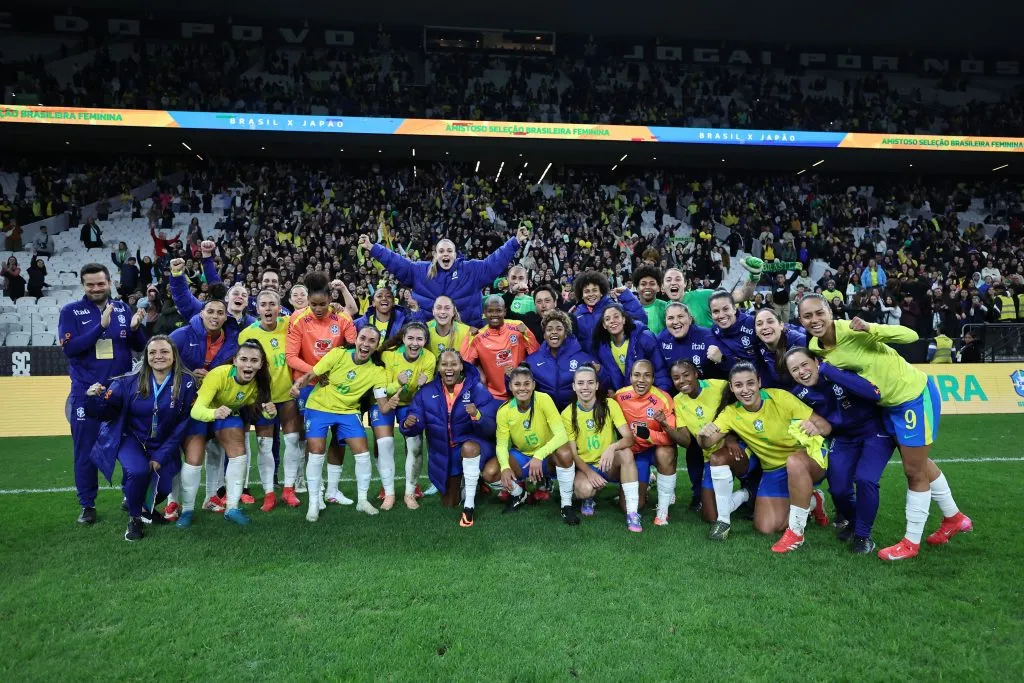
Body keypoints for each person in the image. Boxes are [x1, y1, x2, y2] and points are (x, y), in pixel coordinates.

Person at [798, 294, 972, 561]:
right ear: (801, 320)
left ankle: (911, 543)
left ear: (830, 311)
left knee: (914, 470)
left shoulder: (854, 330)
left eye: (819, 313)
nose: (814, 320)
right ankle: (954, 518)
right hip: (887, 407)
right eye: (807, 316)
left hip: (913, 396)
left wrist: (871, 327)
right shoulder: (815, 346)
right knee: (921, 463)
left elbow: (910, 336)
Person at [697, 362, 832, 553]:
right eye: (739, 385)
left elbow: (825, 426)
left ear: (759, 382)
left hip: (808, 458)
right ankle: (812, 501)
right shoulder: (731, 412)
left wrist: (815, 428)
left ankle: (796, 532)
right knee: (765, 528)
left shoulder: (781, 397)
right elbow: (707, 443)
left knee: (793, 461)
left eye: (750, 383)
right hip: (774, 469)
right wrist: (702, 435)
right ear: (731, 387)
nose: (745, 390)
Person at [58, 263, 148, 524]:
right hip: (87, 394)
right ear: (83, 286)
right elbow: (71, 349)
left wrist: (135, 329)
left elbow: (140, 346)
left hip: (120, 393)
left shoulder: (122, 308)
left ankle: (128, 495)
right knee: (85, 452)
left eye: (100, 283)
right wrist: (100, 326)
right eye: (90, 284)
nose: (96, 288)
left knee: (129, 446)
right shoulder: (70, 311)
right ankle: (87, 505)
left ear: (109, 282)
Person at [84, 336, 198, 541]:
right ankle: (135, 518)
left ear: (174, 356)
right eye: (152, 352)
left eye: (164, 352)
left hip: (163, 443)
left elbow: (183, 423)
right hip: (132, 439)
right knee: (138, 471)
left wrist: (161, 456)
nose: (158, 356)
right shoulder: (128, 382)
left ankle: (142, 505)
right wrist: (93, 399)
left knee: (163, 487)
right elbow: (104, 414)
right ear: (146, 357)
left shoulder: (187, 382)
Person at [784, 348, 895, 554]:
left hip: (874, 431)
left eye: (804, 364)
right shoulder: (798, 395)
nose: (802, 372)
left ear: (817, 361)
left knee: (865, 479)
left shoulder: (838, 372)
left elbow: (873, 392)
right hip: (843, 438)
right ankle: (853, 522)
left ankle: (863, 536)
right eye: (795, 370)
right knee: (838, 489)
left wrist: (833, 372)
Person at [291, 326, 395, 521]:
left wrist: (391, 402)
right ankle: (314, 502)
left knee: (362, 453)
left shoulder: (378, 371)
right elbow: (311, 375)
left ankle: (362, 501)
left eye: (372, 341)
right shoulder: (338, 354)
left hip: (348, 411)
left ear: (377, 345)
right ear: (356, 340)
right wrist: (298, 386)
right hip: (319, 407)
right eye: (363, 338)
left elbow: (382, 406)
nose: (366, 344)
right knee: (316, 450)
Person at [179, 342, 277, 527]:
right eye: (244, 359)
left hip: (225, 414)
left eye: (254, 360)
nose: (248, 365)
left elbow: (262, 410)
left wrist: (270, 412)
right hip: (199, 415)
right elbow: (197, 410)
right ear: (235, 361)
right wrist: (213, 413)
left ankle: (232, 507)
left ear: (261, 364)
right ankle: (187, 510)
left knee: (239, 453)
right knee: (194, 460)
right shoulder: (219, 374)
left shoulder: (260, 383)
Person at [401, 351, 501, 527]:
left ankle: (472, 492)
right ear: (438, 368)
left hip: (473, 445)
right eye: (444, 364)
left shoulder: (476, 389)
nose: (449, 368)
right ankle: (471, 483)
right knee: (449, 503)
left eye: (453, 364)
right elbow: (415, 417)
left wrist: (477, 416)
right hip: (444, 451)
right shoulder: (426, 392)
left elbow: (492, 427)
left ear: (461, 366)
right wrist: (409, 424)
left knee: (469, 449)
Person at [359, 225, 529, 326]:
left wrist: (514, 242)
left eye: (449, 251)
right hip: (430, 338)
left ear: (455, 254)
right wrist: (373, 248)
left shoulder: (470, 270)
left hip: (466, 335)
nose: (445, 254)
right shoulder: (419, 271)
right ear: (435, 255)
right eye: (441, 251)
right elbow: (395, 261)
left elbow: (495, 262)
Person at [286, 273, 358, 506]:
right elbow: (290, 357)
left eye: (322, 304)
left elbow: (353, 347)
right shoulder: (298, 320)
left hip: (337, 385)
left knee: (339, 437)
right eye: (313, 304)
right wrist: (317, 372)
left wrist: (333, 373)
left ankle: (333, 490)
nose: (318, 309)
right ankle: (315, 490)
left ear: (330, 300)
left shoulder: (341, 318)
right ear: (307, 301)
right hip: (310, 385)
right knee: (314, 439)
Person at [659, 360, 751, 528]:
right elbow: (686, 441)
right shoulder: (678, 401)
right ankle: (746, 494)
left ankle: (752, 481)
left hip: (734, 447)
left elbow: (742, 408)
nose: (682, 381)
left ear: (696, 374)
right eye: (676, 378)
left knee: (743, 468)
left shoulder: (720, 386)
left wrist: (731, 437)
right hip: (710, 457)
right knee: (710, 516)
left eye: (686, 375)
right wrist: (665, 425)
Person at [238, 290, 303, 511]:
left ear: (279, 307)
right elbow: (246, 370)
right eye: (263, 304)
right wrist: (262, 399)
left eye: (272, 304)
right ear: (257, 309)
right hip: (262, 398)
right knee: (264, 446)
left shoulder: (290, 325)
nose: (268, 308)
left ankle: (288, 489)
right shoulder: (247, 334)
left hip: (288, 395)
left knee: (292, 441)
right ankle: (268, 493)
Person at [562, 364, 643, 532]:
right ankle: (589, 498)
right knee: (583, 491)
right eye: (581, 383)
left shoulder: (609, 405)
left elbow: (629, 438)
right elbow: (574, 454)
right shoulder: (567, 414)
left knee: (626, 453)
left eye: (590, 383)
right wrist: (590, 473)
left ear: (597, 385)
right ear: (574, 386)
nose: (586, 387)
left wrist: (612, 447)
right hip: (586, 466)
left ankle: (633, 513)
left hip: (609, 464)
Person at [495, 364, 577, 523]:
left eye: (526, 384)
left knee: (565, 453)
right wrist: (505, 467)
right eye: (517, 384)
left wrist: (539, 455)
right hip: (523, 458)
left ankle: (566, 506)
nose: (522, 388)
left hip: (547, 456)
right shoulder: (504, 411)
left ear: (533, 384)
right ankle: (519, 493)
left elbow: (561, 436)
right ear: (510, 386)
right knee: (492, 472)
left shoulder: (544, 399)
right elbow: (501, 445)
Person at [375, 322, 437, 510]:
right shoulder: (388, 355)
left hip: (411, 405)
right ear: (403, 339)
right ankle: (389, 492)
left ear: (425, 341)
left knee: (415, 445)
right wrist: (396, 384)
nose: (414, 343)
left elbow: (425, 393)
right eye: (410, 338)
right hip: (384, 401)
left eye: (419, 339)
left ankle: (410, 493)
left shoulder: (429, 358)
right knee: (384, 444)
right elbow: (381, 387)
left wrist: (424, 385)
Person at [614, 359, 676, 516]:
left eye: (647, 376)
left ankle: (664, 506)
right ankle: (647, 481)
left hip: (656, 450)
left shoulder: (664, 399)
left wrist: (648, 434)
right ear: (630, 377)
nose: (641, 380)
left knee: (666, 452)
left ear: (653, 379)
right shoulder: (619, 397)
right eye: (637, 375)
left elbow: (672, 438)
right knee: (629, 507)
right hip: (636, 454)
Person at [461, 295, 539, 400]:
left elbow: (535, 353)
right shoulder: (478, 337)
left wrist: (527, 333)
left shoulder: (518, 328)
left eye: (498, 310)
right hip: (495, 396)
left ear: (505, 311)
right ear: (484, 312)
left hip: (522, 392)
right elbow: (465, 362)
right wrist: (468, 338)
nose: (494, 315)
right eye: (490, 311)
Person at [525, 309, 597, 410]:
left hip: (573, 414)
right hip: (544, 415)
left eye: (559, 329)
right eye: (549, 329)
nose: (554, 332)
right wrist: (509, 377)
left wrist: (599, 372)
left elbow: (604, 383)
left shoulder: (582, 359)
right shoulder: (532, 361)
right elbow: (519, 388)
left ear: (566, 334)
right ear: (544, 335)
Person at [661, 260, 761, 329]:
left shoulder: (703, 295)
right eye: (668, 280)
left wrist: (753, 277)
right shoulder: (665, 308)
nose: (673, 283)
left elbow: (742, 295)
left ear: (685, 283)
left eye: (678, 279)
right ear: (663, 287)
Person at [593, 303, 670, 393]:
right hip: (623, 401)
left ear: (624, 319)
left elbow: (660, 372)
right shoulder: (602, 348)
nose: (612, 321)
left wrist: (660, 397)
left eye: (616, 317)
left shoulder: (644, 338)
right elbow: (609, 379)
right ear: (604, 325)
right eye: (607, 319)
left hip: (649, 397)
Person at [571, 271, 648, 355]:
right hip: (589, 364)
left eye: (595, 290)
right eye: (587, 291)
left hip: (614, 361)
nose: (591, 294)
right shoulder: (576, 315)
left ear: (601, 293)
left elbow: (641, 319)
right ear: (581, 295)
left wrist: (628, 297)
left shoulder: (613, 308)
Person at [752, 308, 806, 388]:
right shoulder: (758, 347)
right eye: (759, 324)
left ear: (781, 325)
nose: (765, 327)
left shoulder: (800, 341)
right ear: (756, 331)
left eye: (770, 322)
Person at [707, 290, 758, 371]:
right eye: (716, 311)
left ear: (734, 308)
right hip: (735, 377)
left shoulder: (752, 323)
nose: (721, 315)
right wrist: (721, 359)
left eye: (726, 309)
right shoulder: (715, 330)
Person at [633, 265, 668, 335]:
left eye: (652, 284)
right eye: (643, 284)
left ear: (658, 288)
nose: (648, 287)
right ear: (637, 288)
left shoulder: (667, 307)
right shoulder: (630, 310)